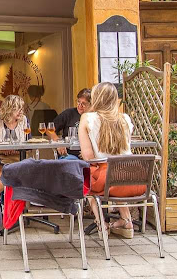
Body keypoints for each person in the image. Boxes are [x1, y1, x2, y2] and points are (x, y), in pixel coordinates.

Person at [79, 82, 139, 239]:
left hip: (107, 180)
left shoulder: (87, 118)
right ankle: (127, 222)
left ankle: (101, 224)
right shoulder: (125, 118)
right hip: (134, 180)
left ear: (96, 98)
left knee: (88, 178)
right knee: (116, 173)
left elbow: (88, 157)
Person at [46, 88, 91, 159]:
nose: (80, 105)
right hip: (68, 154)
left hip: (88, 156)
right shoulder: (69, 113)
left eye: (84, 104)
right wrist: (58, 142)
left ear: (91, 104)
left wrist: (88, 152)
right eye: (78, 102)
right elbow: (49, 130)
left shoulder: (94, 117)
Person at [0, 95, 30, 164]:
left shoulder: (24, 120)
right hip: (0, 158)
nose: (21, 111)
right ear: (9, 109)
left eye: (22, 108)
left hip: (20, 158)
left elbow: (29, 143)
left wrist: (18, 149)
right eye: (18, 108)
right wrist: (2, 150)